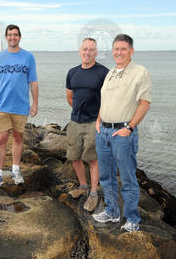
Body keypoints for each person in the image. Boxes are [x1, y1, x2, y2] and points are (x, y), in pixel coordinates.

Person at [92, 34, 151, 232]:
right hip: (104, 132)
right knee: (106, 176)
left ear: (131, 51)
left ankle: (132, 219)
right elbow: (105, 100)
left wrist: (130, 128)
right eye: (116, 49)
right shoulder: (110, 73)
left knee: (127, 178)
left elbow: (144, 104)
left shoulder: (140, 72)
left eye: (123, 49)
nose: (118, 52)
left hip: (123, 133)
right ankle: (111, 211)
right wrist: (98, 120)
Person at [0, 24, 38, 187]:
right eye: (9, 35)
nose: (12, 37)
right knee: (1, 139)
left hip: (21, 106)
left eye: (15, 35)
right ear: (6, 37)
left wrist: (35, 102)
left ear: (19, 37)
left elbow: (33, 81)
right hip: (2, 106)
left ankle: (15, 170)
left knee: (18, 137)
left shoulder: (28, 57)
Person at [65, 38, 109, 211]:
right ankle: (83, 186)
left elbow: (107, 100)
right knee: (74, 156)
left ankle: (93, 193)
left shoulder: (103, 72)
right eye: (85, 49)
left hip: (94, 123)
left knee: (92, 158)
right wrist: (78, 111)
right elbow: (70, 96)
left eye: (91, 50)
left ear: (96, 53)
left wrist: (99, 120)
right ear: (80, 51)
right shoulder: (72, 72)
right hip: (75, 121)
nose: (87, 52)